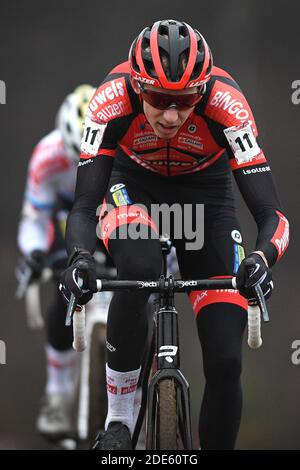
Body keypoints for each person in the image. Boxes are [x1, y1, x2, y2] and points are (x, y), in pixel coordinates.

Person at [59, 20, 289, 450]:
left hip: (207, 201)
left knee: (224, 360)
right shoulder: (110, 99)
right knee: (139, 264)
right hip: (133, 187)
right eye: (159, 98)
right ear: (138, 86)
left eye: (184, 101)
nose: (170, 115)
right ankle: (120, 421)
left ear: (202, 91)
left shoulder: (228, 104)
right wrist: (80, 260)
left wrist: (261, 259)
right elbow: (85, 206)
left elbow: (272, 214)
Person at [16, 84, 105, 439]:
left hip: (107, 223)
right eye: (75, 158)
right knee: (62, 301)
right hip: (64, 229)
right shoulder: (46, 156)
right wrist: (36, 255)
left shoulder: (121, 147)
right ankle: (58, 392)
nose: (80, 166)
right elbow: (34, 219)